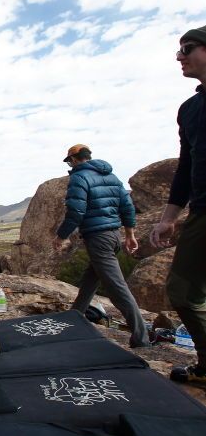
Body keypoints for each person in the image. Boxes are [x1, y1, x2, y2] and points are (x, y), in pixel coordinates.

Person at [150, 25, 206, 384]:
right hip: (202, 210)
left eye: (187, 48)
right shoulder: (189, 109)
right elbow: (186, 167)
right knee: (184, 291)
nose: (179, 56)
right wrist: (169, 217)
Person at [52, 144, 149, 348]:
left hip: (98, 238)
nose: (70, 164)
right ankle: (73, 319)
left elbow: (76, 211)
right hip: (114, 236)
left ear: (75, 159)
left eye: (69, 161)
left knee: (117, 289)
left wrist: (61, 236)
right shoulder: (112, 177)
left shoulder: (79, 177)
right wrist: (130, 234)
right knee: (89, 281)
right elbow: (128, 207)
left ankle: (142, 338)